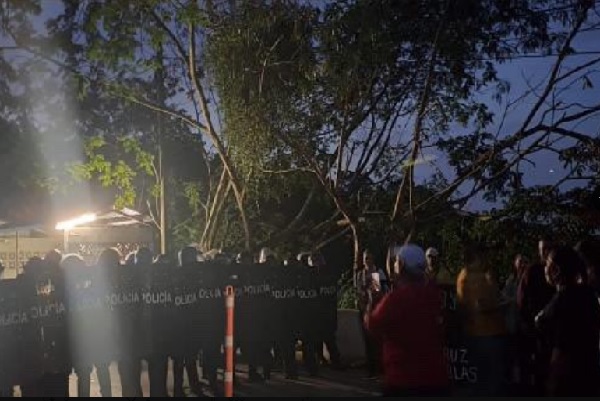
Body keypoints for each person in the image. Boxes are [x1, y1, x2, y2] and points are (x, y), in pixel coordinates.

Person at [366, 243, 449, 396]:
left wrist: (372, 301)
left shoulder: (395, 299)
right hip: (436, 378)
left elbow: (373, 325)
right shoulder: (432, 294)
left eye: (396, 261)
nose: (394, 264)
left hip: (404, 380)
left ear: (402, 265)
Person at [535, 246, 600, 396]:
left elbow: (562, 347)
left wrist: (552, 381)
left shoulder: (563, 301)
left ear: (556, 270)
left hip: (567, 382)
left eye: (547, 264)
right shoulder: (588, 295)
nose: (545, 268)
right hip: (590, 374)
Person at [456, 244, 508, 396]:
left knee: (490, 380)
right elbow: (478, 305)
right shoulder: (468, 277)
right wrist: (499, 305)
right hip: (482, 336)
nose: (487, 258)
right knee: (488, 381)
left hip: (491, 334)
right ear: (477, 256)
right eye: (484, 255)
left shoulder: (484, 274)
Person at [517, 236, 556, 395]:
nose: (545, 252)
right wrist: (529, 325)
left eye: (548, 248)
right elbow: (521, 300)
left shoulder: (557, 271)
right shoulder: (532, 271)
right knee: (538, 372)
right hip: (536, 331)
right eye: (543, 249)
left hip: (554, 332)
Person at [355, 249, 388, 378]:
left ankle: (379, 368)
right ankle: (371, 369)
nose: (366, 261)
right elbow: (358, 292)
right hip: (364, 310)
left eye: (368, 258)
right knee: (367, 341)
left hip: (375, 310)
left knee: (376, 340)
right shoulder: (360, 274)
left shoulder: (377, 273)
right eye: (365, 258)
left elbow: (377, 293)